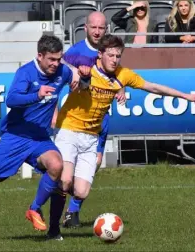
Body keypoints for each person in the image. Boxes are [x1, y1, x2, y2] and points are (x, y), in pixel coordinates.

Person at [48, 34, 195, 240]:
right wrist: (75, 74)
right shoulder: (86, 69)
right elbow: (58, 66)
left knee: (81, 192)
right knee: (65, 181)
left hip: (91, 136)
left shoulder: (123, 75)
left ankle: (54, 182)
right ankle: (51, 224)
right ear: (100, 54)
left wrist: (185, 96)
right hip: (68, 129)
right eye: (110, 55)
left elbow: (153, 87)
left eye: (118, 56)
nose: (114, 59)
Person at [0, 35, 74, 236]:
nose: (55, 64)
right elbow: (11, 100)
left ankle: (41, 217)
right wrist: (36, 95)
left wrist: (80, 78)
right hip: (16, 136)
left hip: (39, 137)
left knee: (57, 166)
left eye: (58, 59)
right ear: (40, 56)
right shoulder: (26, 73)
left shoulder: (63, 71)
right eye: (51, 59)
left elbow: (76, 75)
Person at [52, 11, 126, 229]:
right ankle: (61, 213)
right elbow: (57, 78)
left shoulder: (110, 50)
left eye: (101, 28)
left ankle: (72, 211)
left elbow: (117, 74)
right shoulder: (74, 53)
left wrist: (120, 87)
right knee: (67, 176)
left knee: (95, 164)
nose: (97, 31)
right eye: (93, 27)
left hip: (101, 119)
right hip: (76, 121)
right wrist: (53, 111)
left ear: (106, 30)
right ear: (85, 28)